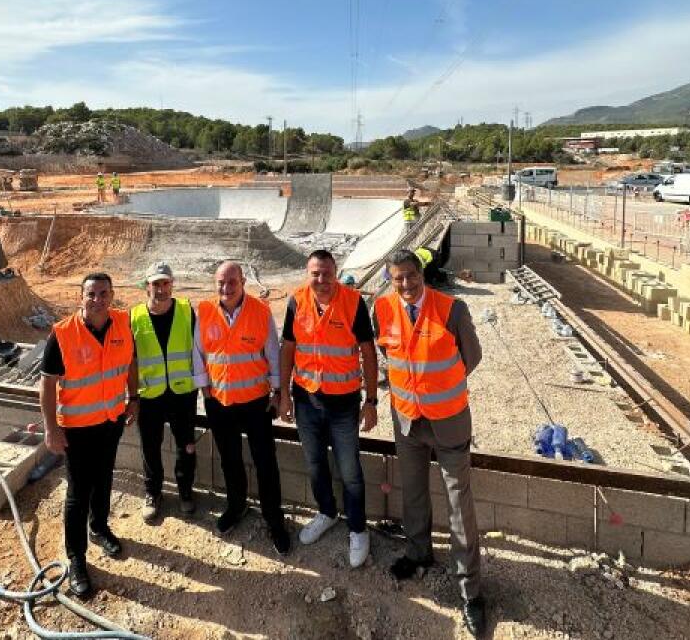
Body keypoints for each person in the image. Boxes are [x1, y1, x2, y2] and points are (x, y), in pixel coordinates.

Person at [373, 249, 487, 637]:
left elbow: (471, 358)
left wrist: (438, 389)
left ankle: (469, 590)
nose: (406, 284)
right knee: (414, 495)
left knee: (459, 505)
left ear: (422, 275)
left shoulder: (452, 310)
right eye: (398, 279)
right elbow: (389, 356)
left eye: (411, 276)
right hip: (407, 420)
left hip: (449, 421)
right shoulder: (383, 309)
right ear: (390, 280)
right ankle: (417, 552)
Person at [39, 273, 139, 599]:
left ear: (112, 295)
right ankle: (76, 557)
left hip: (110, 421)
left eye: (103, 294)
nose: (97, 300)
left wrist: (133, 398)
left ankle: (99, 527)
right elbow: (48, 385)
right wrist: (51, 429)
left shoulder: (122, 323)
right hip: (78, 428)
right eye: (91, 294)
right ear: (80, 297)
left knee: (105, 477)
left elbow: (130, 364)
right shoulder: (63, 334)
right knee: (78, 491)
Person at [279, 250, 378, 567]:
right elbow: (288, 350)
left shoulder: (353, 301)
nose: (321, 280)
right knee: (315, 464)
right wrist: (283, 395)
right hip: (307, 400)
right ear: (308, 274)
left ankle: (358, 528)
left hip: (343, 403)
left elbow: (368, 353)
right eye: (315, 274)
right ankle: (327, 512)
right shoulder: (297, 302)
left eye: (326, 273)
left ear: (335, 273)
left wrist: (371, 401)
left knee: (350, 470)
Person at [193, 260, 291, 554]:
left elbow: (273, 352)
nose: (226, 288)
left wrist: (276, 392)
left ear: (243, 281)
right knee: (229, 458)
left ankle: (274, 519)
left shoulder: (260, 311)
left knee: (265, 462)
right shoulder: (206, 310)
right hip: (219, 401)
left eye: (231, 282)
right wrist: (205, 388)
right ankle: (236, 506)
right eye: (221, 283)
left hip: (256, 402)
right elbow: (198, 352)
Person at [130, 262, 199, 522]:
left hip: (182, 393)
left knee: (186, 446)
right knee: (150, 447)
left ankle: (185, 493)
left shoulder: (185, 310)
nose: (161, 289)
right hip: (150, 395)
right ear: (147, 286)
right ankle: (153, 493)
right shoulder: (134, 316)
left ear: (172, 284)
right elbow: (131, 361)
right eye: (156, 284)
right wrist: (132, 396)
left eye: (165, 283)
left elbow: (200, 351)